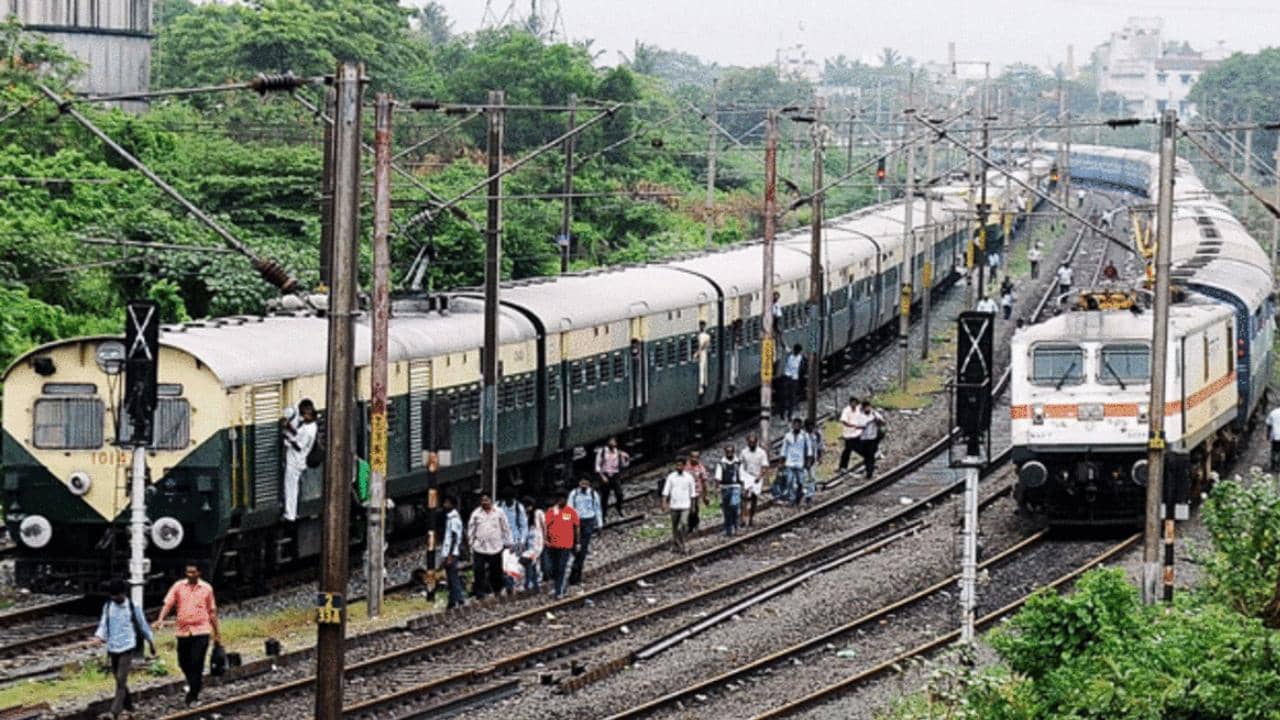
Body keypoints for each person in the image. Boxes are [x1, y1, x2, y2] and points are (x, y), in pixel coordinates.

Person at [155, 563, 220, 708]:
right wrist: (161, 618)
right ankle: (194, 683)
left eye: (193, 572)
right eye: (188, 572)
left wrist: (217, 633)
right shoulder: (178, 586)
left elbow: (212, 611)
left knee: (197, 662)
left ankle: (193, 695)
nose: (190, 575)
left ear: (199, 573)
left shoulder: (207, 589)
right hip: (183, 631)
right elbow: (168, 603)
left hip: (201, 630)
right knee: (183, 662)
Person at [95, 578, 155, 719]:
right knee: (118, 679)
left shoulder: (133, 606)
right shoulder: (108, 606)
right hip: (113, 647)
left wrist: (150, 642)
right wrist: (99, 637)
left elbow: (142, 624)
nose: (115, 598)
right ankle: (129, 707)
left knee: (121, 680)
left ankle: (114, 712)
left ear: (123, 593)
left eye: (117, 595)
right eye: (113, 596)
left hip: (127, 647)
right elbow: (103, 624)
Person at [466, 493, 512, 599]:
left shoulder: (499, 512)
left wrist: (509, 542)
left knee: (496, 571)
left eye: (486, 500)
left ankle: (497, 591)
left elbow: (505, 527)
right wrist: (471, 544)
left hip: (495, 547)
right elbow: (471, 529)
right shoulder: (476, 513)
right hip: (479, 548)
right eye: (483, 500)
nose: (485, 502)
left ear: (491, 501)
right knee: (478, 571)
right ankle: (480, 594)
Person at [281, 399, 317, 521]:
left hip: (296, 461)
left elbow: (298, 446)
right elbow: (298, 434)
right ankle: (290, 512)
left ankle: (290, 514)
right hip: (296, 460)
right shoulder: (311, 425)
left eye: (302, 414)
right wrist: (289, 428)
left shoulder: (308, 430)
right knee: (291, 487)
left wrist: (288, 439)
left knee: (291, 487)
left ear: (307, 413)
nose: (301, 417)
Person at [543, 492, 580, 598]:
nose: (562, 501)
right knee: (553, 568)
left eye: (564, 499)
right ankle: (558, 587)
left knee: (561, 567)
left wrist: (577, 542)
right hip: (553, 545)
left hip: (566, 545)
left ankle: (560, 591)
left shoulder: (570, 512)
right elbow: (546, 526)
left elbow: (576, 527)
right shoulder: (551, 511)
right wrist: (546, 539)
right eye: (560, 499)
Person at [567, 478, 601, 586]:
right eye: (582, 483)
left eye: (586, 483)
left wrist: (599, 524)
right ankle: (576, 572)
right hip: (576, 522)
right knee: (576, 548)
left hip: (588, 521)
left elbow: (597, 509)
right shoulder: (574, 494)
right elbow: (569, 509)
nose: (584, 485)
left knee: (582, 549)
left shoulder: (593, 494)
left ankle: (575, 575)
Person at [661, 457, 697, 554]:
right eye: (677, 465)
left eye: (680, 465)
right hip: (674, 505)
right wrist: (664, 503)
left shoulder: (689, 477)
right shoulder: (671, 477)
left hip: (685, 505)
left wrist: (693, 506)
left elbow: (692, 493)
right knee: (675, 526)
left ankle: (684, 543)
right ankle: (676, 545)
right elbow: (666, 491)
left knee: (683, 524)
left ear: (684, 466)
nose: (678, 467)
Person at [594, 437, 630, 520]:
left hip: (615, 475)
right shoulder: (602, 452)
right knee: (605, 496)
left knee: (619, 493)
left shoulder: (618, 452)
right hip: (605, 474)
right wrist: (602, 476)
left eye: (614, 441)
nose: (613, 443)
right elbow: (597, 466)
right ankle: (603, 515)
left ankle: (619, 507)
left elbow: (623, 465)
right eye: (611, 441)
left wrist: (626, 458)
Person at [440, 495, 466, 608]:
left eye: (447, 503)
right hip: (450, 552)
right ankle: (452, 601)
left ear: (452, 505)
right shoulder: (451, 518)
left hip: (452, 553)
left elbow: (454, 537)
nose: (444, 505)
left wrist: (449, 555)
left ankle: (459, 599)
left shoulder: (454, 519)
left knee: (453, 577)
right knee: (450, 578)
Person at [780, 418, 813, 506]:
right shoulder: (787, 436)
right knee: (789, 481)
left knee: (800, 482)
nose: (796, 426)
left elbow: (809, 449)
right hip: (789, 462)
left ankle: (799, 495)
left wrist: (808, 461)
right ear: (792, 425)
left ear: (801, 426)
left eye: (798, 425)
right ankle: (792, 499)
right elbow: (784, 449)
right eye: (795, 424)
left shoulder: (805, 436)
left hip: (800, 462)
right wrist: (781, 462)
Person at [739, 435, 769, 527]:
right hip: (747, 476)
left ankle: (751, 518)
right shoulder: (744, 452)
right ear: (747, 443)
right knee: (744, 497)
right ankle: (743, 518)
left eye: (753, 442)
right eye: (750, 442)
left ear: (756, 442)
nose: (752, 444)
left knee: (754, 498)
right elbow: (740, 464)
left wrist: (760, 476)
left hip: (757, 476)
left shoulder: (762, 453)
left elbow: (765, 466)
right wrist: (741, 477)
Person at [714, 445, 743, 536]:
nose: (729, 453)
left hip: (736, 487)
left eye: (731, 451)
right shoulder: (721, 463)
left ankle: (736, 527)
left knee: (735, 507)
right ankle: (728, 530)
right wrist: (717, 488)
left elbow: (742, 476)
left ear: (734, 452)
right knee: (727, 510)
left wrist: (744, 487)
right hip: (725, 488)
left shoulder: (738, 463)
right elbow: (718, 477)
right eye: (727, 452)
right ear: (725, 452)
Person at [856, 401, 887, 479]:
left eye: (868, 407)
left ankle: (869, 473)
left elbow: (883, 422)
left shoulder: (874, 414)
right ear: (863, 408)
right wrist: (867, 423)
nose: (868, 409)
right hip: (863, 438)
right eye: (866, 407)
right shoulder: (860, 416)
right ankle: (868, 469)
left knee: (871, 456)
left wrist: (877, 421)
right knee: (866, 456)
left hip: (872, 438)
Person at [520, 497, 545, 592]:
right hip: (528, 544)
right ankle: (535, 585)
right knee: (532, 564)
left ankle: (528, 583)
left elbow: (544, 526)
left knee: (528, 561)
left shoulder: (538, 513)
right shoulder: (525, 516)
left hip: (537, 543)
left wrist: (545, 539)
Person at [685, 451, 710, 533]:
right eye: (692, 457)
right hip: (686, 491)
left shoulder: (700, 467)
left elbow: (704, 481)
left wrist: (706, 495)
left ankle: (695, 524)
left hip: (697, 491)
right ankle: (690, 525)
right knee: (689, 509)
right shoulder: (685, 467)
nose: (694, 459)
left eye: (696, 457)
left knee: (695, 508)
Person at [838, 396, 864, 472]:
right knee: (849, 449)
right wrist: (853, 425)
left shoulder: (858, 409)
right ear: (850, 403)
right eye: (854, 402)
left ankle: (869, 456)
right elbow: (844, 421)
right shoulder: (846, 410)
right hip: (849, 434)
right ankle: (843, 467)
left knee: (858, 446)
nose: (855, 404)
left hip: (857, 433)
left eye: (856, 403)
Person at [781, 344, 805, 421]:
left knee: (791, 398)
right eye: (797, 351)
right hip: (787, 378)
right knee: (785, 397)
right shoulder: (790, 353)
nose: (797, 353)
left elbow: (802, 367)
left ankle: (789, 416)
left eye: (798, 351)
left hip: (793, 379)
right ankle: (783, 414)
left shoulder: (800, 357)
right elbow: (784, 345)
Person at [803, 418, 823, 505]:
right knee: (804, 477)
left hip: (812, 460)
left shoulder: (817, 435)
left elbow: (820, 446)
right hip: (803, 459)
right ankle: (804, 493)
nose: (811, 428)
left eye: (812, 426)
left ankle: (809, 496)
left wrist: (820, 457)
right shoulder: (802, 436)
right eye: (809, 426)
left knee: (812, 477)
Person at [696, 321, 712, 397]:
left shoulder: (703, 336)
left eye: (702, 326)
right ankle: (704, 384)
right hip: (704, 352)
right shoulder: (706, 336)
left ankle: (702, 387)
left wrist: (697, 353)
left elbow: (702, 345)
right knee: (703, 369)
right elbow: (707, 345)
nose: (701, 327)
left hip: (703, 353)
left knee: (702, 369)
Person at [1267, 405, 1280, 471]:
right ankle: (1278, 465)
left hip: (1275, 435)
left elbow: (1269, 425)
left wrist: (1268, 434)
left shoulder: (1273, 412)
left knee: (1274, 450)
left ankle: (1273, 465)